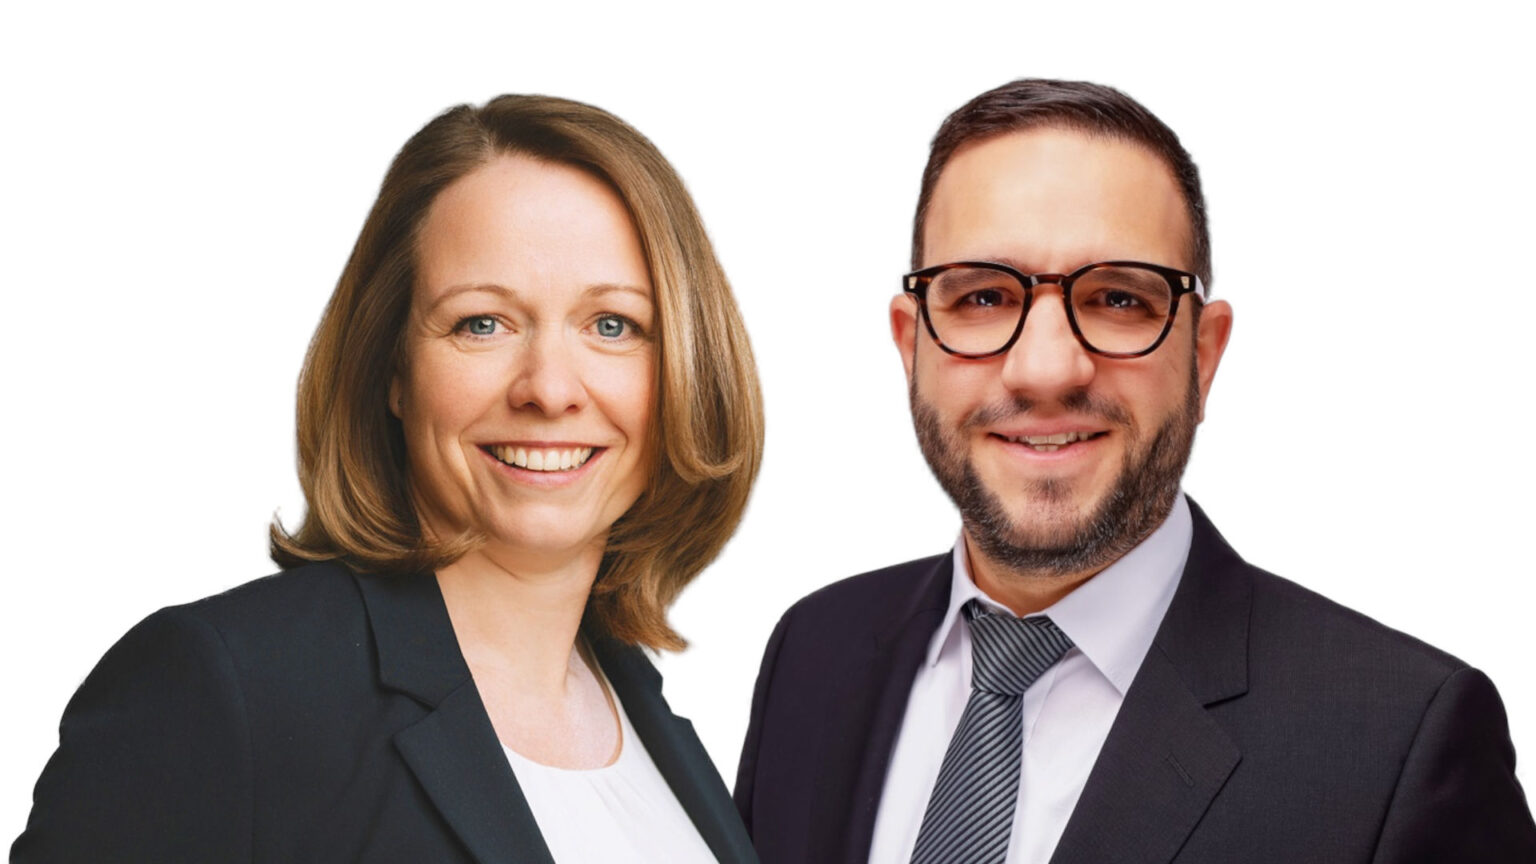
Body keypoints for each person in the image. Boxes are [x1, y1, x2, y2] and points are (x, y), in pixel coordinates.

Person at [734, 78, 1536, 863]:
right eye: (982, 298)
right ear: (912, 344)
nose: (1046, 369)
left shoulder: (1401, 742)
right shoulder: (814, 652)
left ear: (1204, 355)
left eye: (1119, 299)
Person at [14, 94, 762, 863]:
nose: (549, 388)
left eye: (612, 326)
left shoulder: (646, 715)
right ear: (392, 368)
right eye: (482, 323)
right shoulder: (229, 689)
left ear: (685, 370)